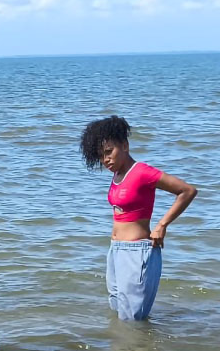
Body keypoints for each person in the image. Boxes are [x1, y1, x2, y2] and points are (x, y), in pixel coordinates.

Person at [79, 116, 198, 321]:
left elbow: (187, 191)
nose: (105, 159)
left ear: (125, 145)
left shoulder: (142, 172)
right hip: (115, 251)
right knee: (117, 312)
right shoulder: (117, 174)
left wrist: (162, 224)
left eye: (109, 152)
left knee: (133, 318)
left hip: (136, 252)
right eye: (101, 156)